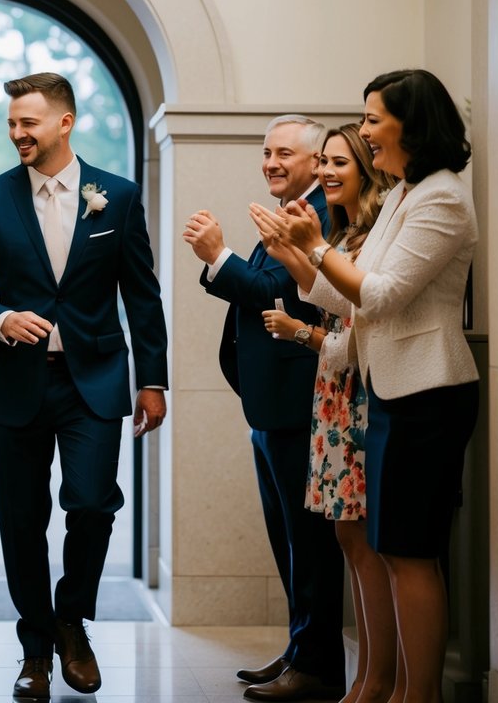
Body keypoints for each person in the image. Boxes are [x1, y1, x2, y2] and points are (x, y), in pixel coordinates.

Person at [0, 73, 168, 699]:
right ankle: (36, 648)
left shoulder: (117, 198)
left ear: (64, 123)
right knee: (22, 520)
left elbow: (142, 296)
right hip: (13, 381)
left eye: (29, 123)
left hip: (94, 380)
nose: (18, 133)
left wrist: (153, 380)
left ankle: (73, 620)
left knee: (93, 501)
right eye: (12, 123)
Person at [261, 69, 479, 701]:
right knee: (387, 548)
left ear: (411, 125)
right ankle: (392, 688)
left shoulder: (441, 197)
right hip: (393, 392)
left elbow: (380, 296)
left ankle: (419, 695)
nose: (364, 132)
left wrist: (315, 248)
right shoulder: (409, 192)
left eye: (372, 119)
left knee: (409, 552)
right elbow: (351, 295)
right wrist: (298, 260)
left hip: (429, 392)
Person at [183, 114, 345, 700]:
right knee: (289, 540)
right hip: (271, 403)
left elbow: (276, 293)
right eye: (266, 151)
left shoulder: (319, 214)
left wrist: (218, 254)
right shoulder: (292, 211)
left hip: (299, 402)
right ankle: (301, 650)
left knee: (309, 545)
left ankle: (318, 666)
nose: (270, 162)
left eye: (283, 153)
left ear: (315, 161)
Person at [252, 123, 399, 703]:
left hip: (357, 395)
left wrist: (300, 320)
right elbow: (338, 307)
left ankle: (373, 678)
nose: (328, 173)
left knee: (360, 546)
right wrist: (296, 257)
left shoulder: (358, 233)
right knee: (344, 540)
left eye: (339, 162)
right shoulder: (338, 229)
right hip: (327, 396)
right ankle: (360, 676)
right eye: (328, 162)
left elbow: (358, 319)